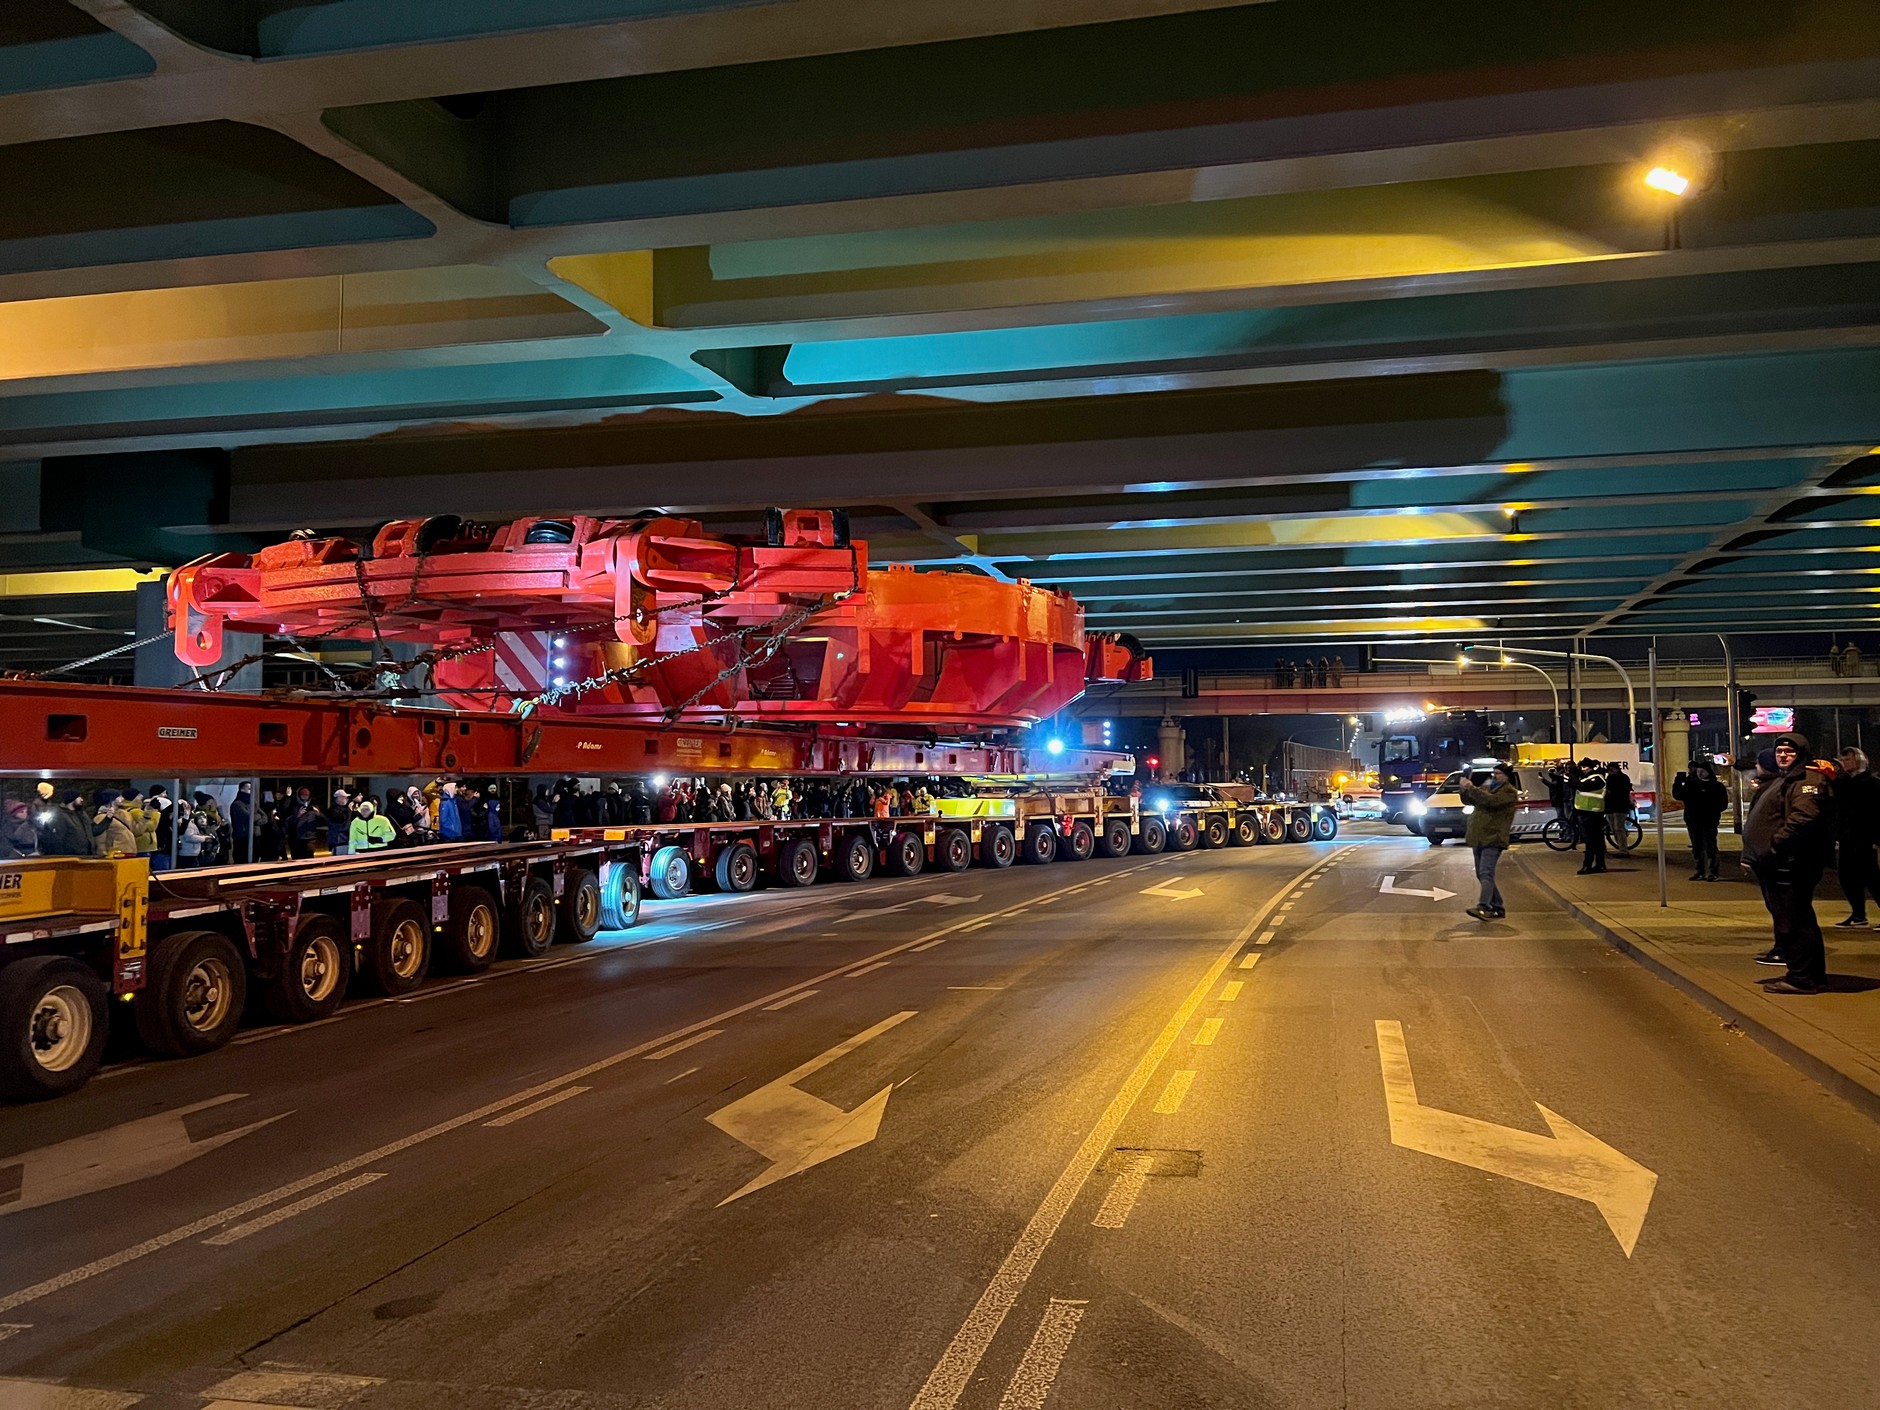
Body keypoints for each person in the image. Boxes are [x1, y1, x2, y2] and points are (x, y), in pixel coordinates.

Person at [1741, 732, 1833, 994]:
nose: (1783, 755)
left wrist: (1775, 844)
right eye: (1779, 751)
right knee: (1798, 920)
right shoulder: (1786, 778)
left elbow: (1804, 818)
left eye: (1789, 752)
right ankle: (1811, 975)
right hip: (1778, 863)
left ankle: (1801, 979)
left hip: (1790, 863)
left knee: (1792, 922)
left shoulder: (1807, 780)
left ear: (1801, 754)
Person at [1461, 762, 1519, 920]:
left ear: (1506, 776)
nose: (1495, 776)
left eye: (1498, 773)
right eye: (1494, 773)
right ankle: (1498, 906)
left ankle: (1484, 906)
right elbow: (1471, 800)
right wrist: (1464, 788)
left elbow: (1491, 802)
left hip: (1493, 838)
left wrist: (1471, 788)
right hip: (1479, 837)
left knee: (1486, 872)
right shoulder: (1487, 787)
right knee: (1481, 874)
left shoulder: (1509, 792)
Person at [1833, 748, 1880, 927]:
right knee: (1847, 877)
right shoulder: (1842, 782)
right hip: (1846, 837)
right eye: (1843, 759)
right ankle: (1858, 914)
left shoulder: (1871, 783)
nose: (1845, 762)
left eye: (1848, 759)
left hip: (1865, 838)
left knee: (1872, 878)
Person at [1674, 760, 1729, 882]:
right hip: (1694, 820)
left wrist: (1713, 811)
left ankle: (1713, 872)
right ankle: (1700, 871)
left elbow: (1723, 803)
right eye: (1698, 771)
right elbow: (1678, 795)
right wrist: (1678, 781)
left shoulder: (1717, 786)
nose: (1700, 774)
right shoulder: (1692, 784)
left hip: (1709, 820)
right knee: (1697, 846)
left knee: (1711, 846)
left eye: (1702, 771)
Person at [1573, 761, 1608, 873]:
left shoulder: (1597, 778)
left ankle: (1588, 865)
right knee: (1596, 841)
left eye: (1585, 767)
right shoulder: (1586, 778)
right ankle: (1600, 865)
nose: (1583, 769)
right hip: (1587, 813)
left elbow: (1582, 787)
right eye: (1581, 767)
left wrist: (1571, 777)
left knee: (1591, 841)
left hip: (1593, 813)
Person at [36, 790, 95, 857]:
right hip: (70, 857)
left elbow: (92, 830)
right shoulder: (60, 816)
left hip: (85, 855)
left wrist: (107, 819)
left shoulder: (82, 814)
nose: (81, 799)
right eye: (78, 797)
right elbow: (57, 840)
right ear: (72, 799)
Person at [1603, 763, 1634, 857]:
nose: (1610, 771)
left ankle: (1623, 850)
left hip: (1620, 806)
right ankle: (1622, 847)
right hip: (1610, 807)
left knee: (1618, 828)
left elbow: (1624, 791)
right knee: (1614, 829)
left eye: (1612, 769)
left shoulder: (1623, 778)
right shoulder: (1609, 779)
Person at [229, 782, 253, 864]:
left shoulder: (251, 802)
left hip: (248, 836)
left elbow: (263, 816)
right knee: (242, 859)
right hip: (242, 836)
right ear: (242, 789)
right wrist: (256, 816)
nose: (251, 791)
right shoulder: (238, 804)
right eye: (249, 789)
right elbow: (249, 817)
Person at [326, 787, 353, 857]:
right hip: (339, 841)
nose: (347, 799)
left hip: (342, 841)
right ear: (339, 798)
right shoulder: (334, 811)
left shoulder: (339, 809)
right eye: (345, 797)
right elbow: (343, 822)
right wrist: (349, 810)